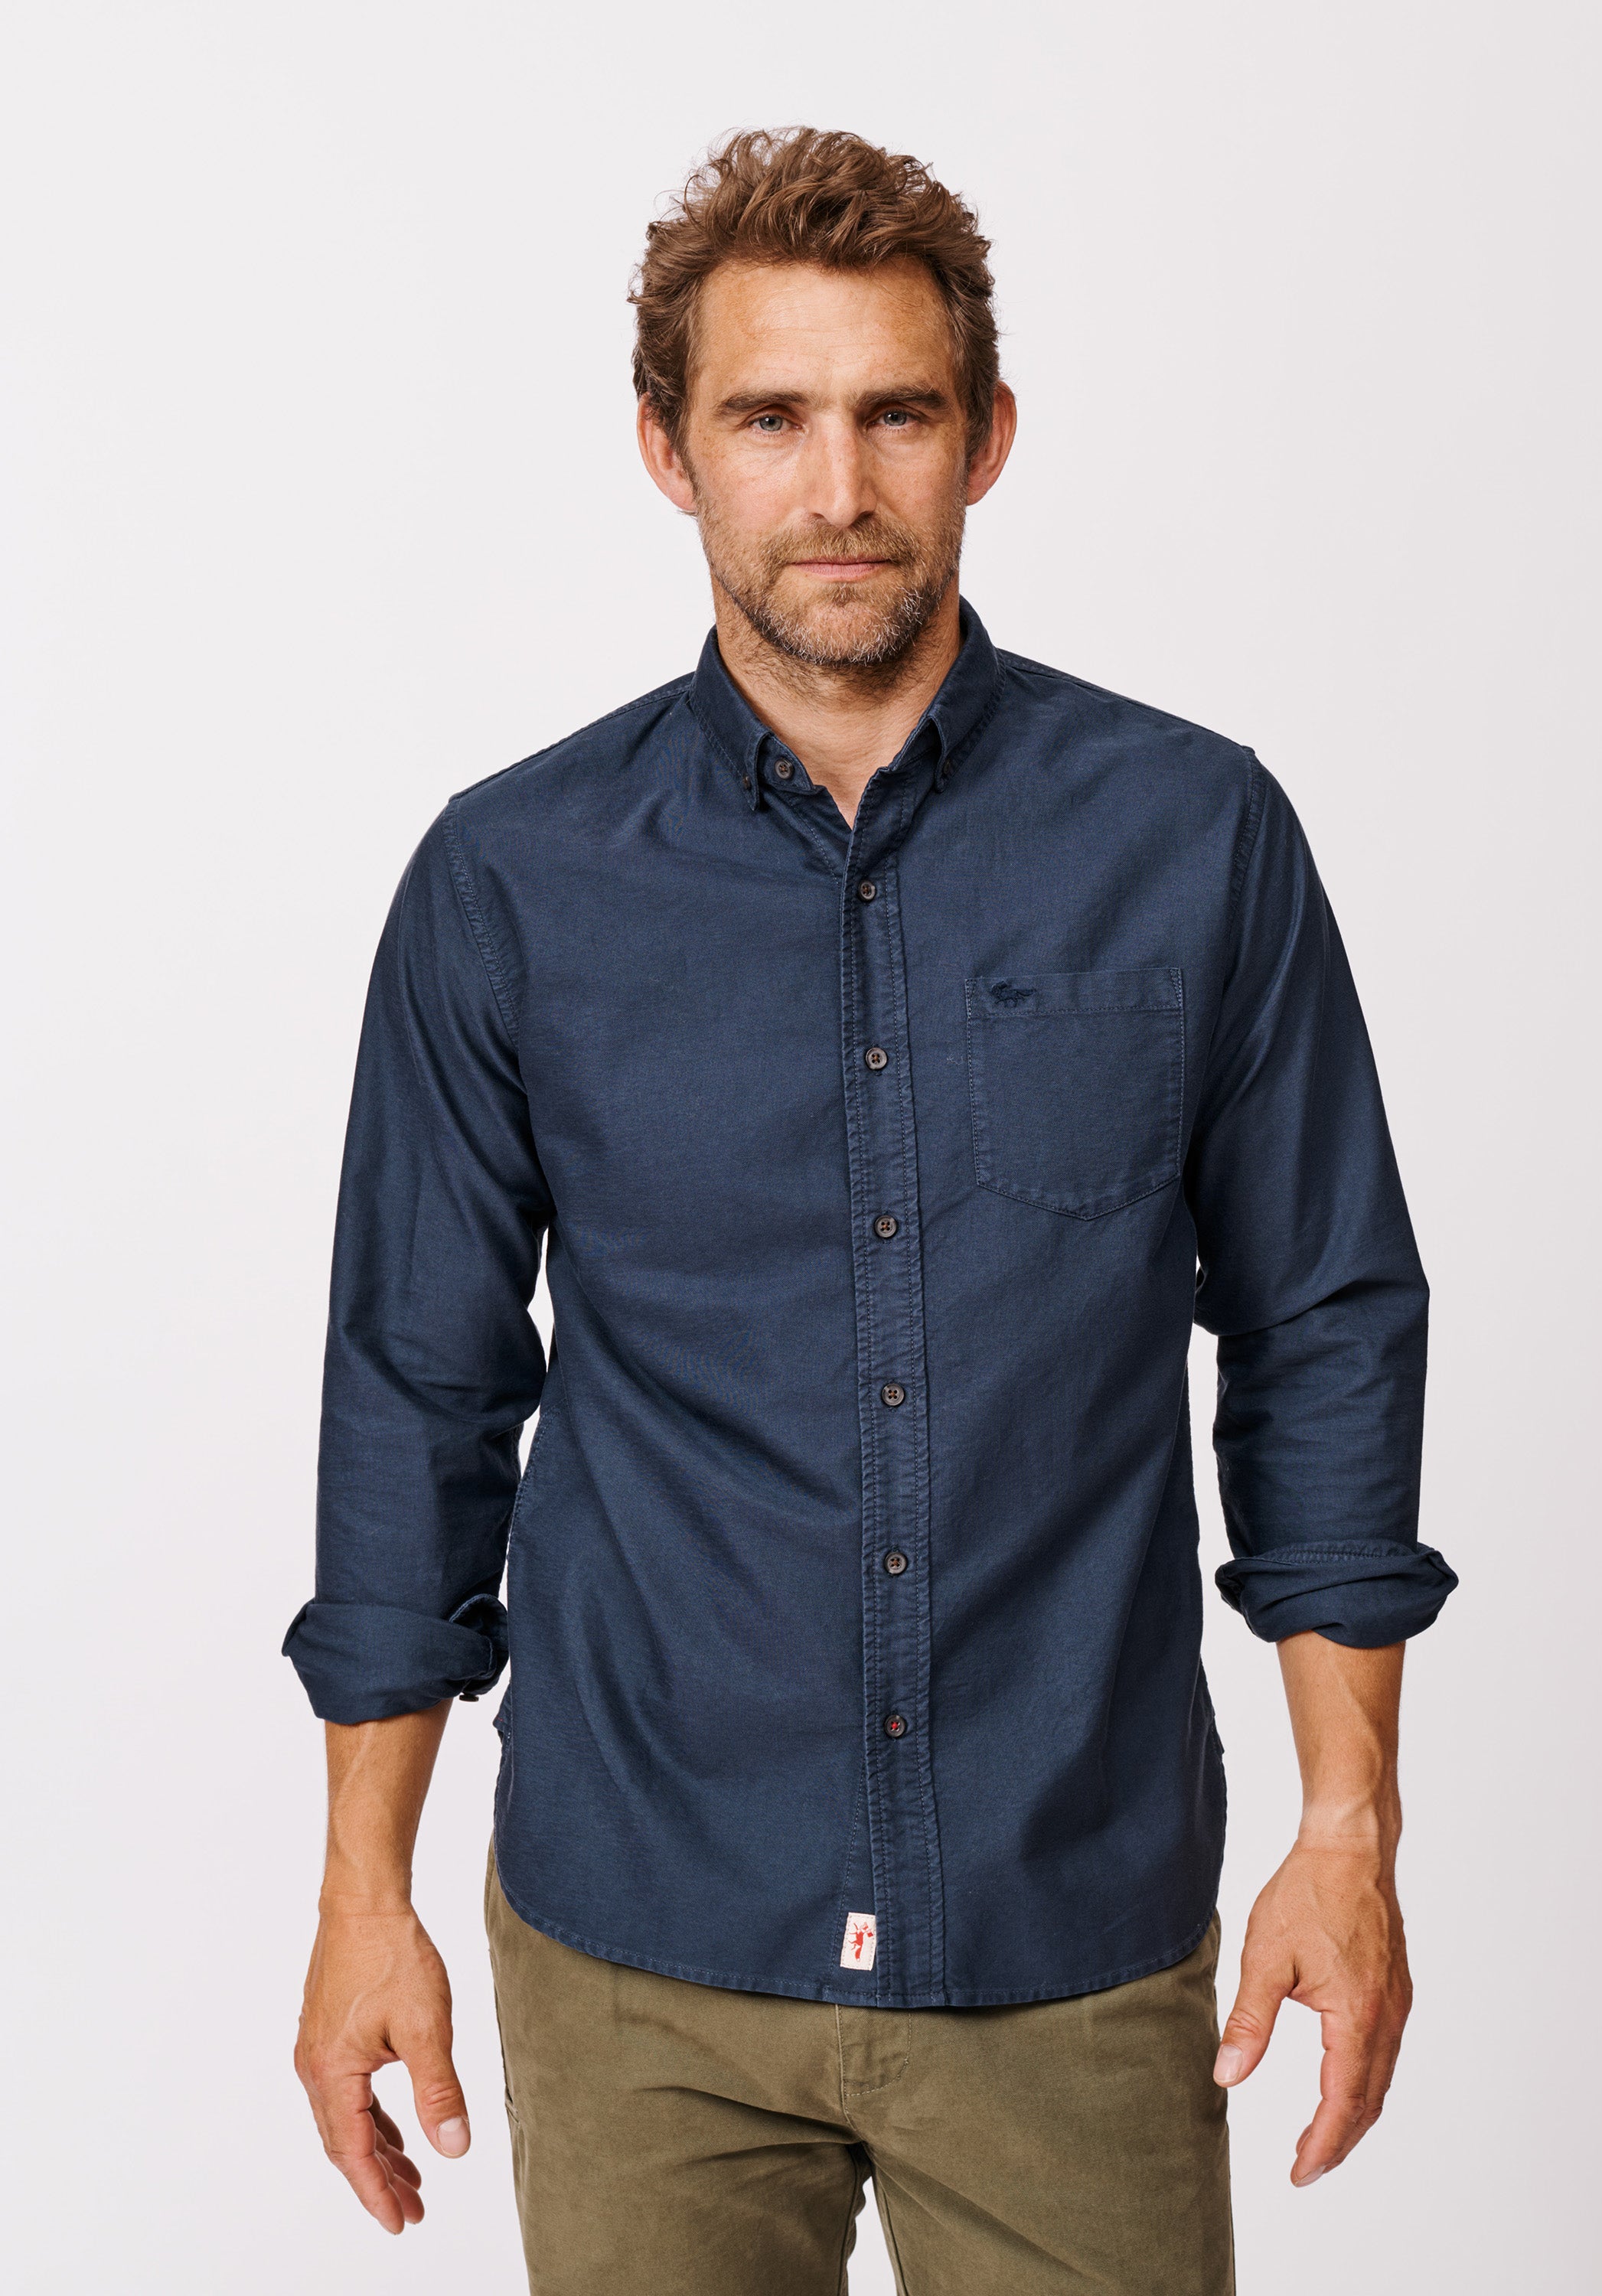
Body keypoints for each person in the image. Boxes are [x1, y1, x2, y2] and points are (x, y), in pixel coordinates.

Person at [285, 126, 1456, 2296]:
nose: (837, 487)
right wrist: (367, 1891)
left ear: (985, 436)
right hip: (638, 1943)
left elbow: (1324, 1332)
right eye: (769, 418)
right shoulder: (510, 881)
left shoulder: (1193, 838)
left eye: (895, 413)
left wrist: (1345, 1829)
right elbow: (417, 1394)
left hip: (1068, 1936)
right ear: (668, 450)